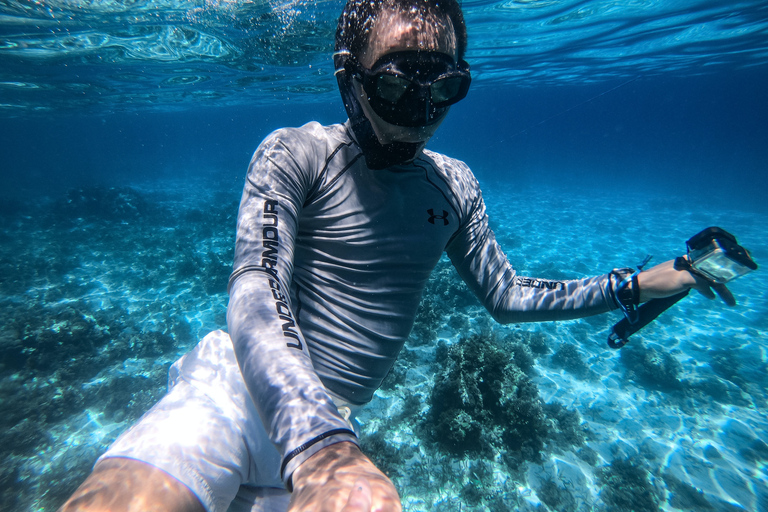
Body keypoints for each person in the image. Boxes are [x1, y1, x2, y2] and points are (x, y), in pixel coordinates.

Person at [59, 0, 735, 511]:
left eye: (444, 85)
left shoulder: (456, 184)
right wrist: (318, 443)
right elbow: (256, 287)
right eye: (397, 81)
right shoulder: (295, 153)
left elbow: (509, 296)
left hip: (335, 426)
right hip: (237, 393)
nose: (421, 104)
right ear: (348, 76)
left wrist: (637, 285)